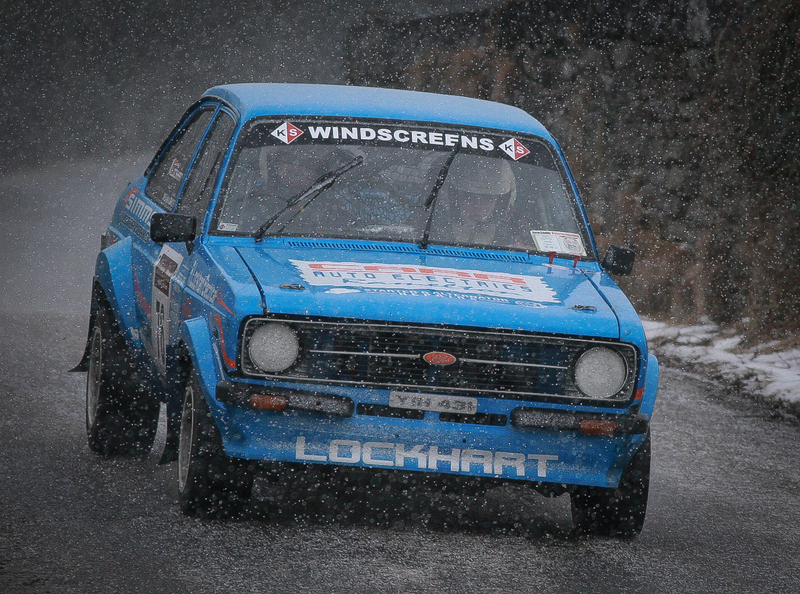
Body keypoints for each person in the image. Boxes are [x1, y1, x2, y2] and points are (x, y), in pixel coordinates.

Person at [441, 155, 515, 245]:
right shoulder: (432, 229)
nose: (478, 205)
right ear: (455, 197)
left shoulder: (514, 234)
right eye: (469, 197)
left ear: (499, 202)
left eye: (488, 199)